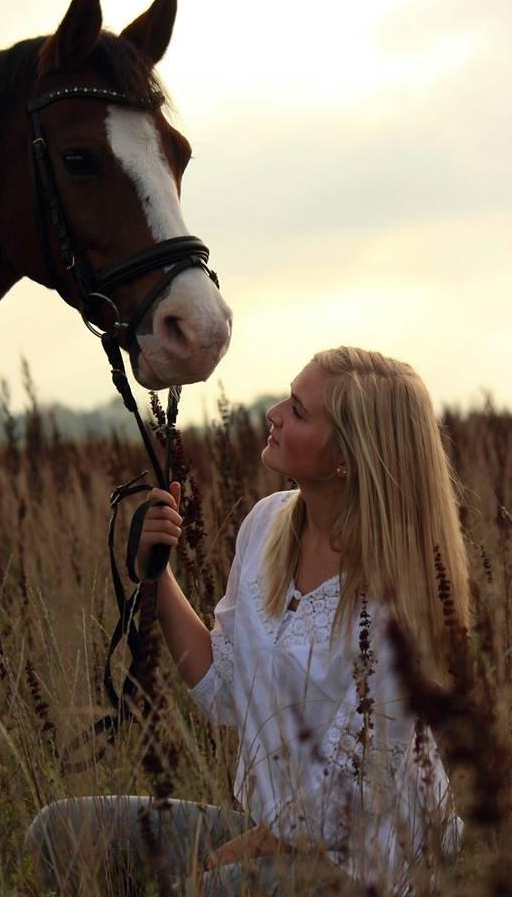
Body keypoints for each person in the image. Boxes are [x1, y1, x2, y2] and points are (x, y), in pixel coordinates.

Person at [26, 346, 469, 896]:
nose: (274, 413)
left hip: (367, 867)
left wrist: (228, 857)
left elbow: (345, 808)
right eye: (288, 396)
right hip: (272, 832)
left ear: (347, 459)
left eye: (299, 411)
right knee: (60, 833)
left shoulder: (403, 594)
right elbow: (224, 688)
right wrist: (154, 574)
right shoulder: (267, 525)